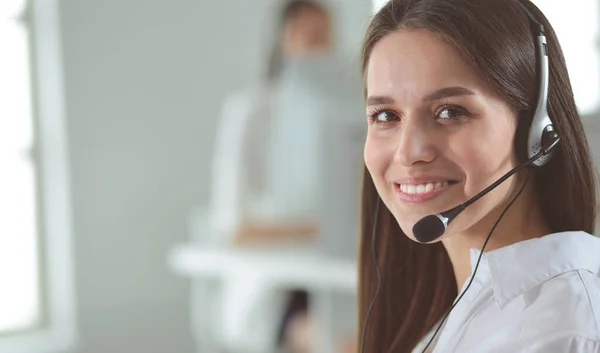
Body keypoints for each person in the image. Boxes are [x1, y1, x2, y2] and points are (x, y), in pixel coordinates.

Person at [357, 0, 600, 352]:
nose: (408, 153)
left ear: (537, 131)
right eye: (385, 116)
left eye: (449, 112)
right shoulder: (467, 308)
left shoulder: (559, 329)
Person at [207, 1, 333, 352]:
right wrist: (318, 230)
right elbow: (234, 227)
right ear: (282, 41)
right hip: (275, 289)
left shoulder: (340, 115)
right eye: (312, 37)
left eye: (327, 38)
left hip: (327, 273)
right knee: (329, 334)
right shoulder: (250, 113)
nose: (322, 49)